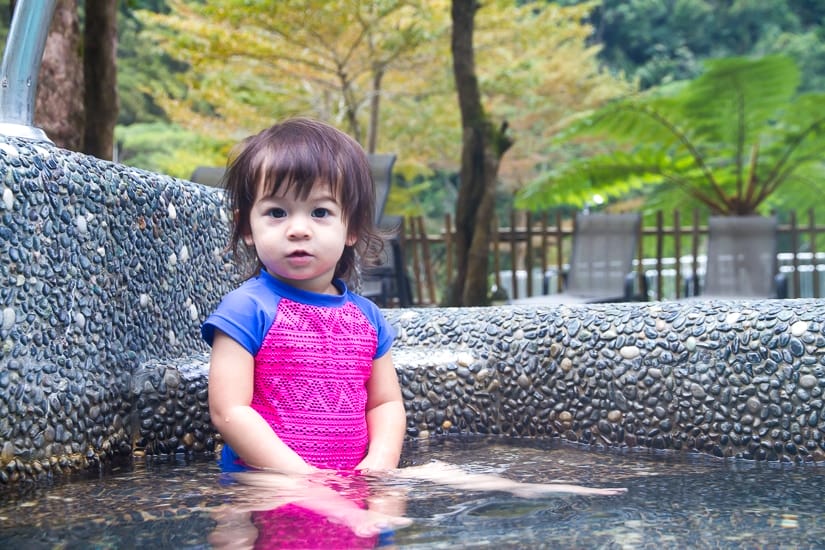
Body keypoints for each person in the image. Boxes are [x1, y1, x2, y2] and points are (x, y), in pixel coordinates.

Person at [201, 117, 407, 476]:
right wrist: (303, 478)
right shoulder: (247, 309)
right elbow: (229, 410)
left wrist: (379, 465)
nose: (298, 229)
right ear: (247, 227)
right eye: (277, 213)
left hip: (351, 478)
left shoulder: (368, 318)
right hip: (270, 480)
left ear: (352, 228)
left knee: (449, 477)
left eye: (320, 212)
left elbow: (385, 403)